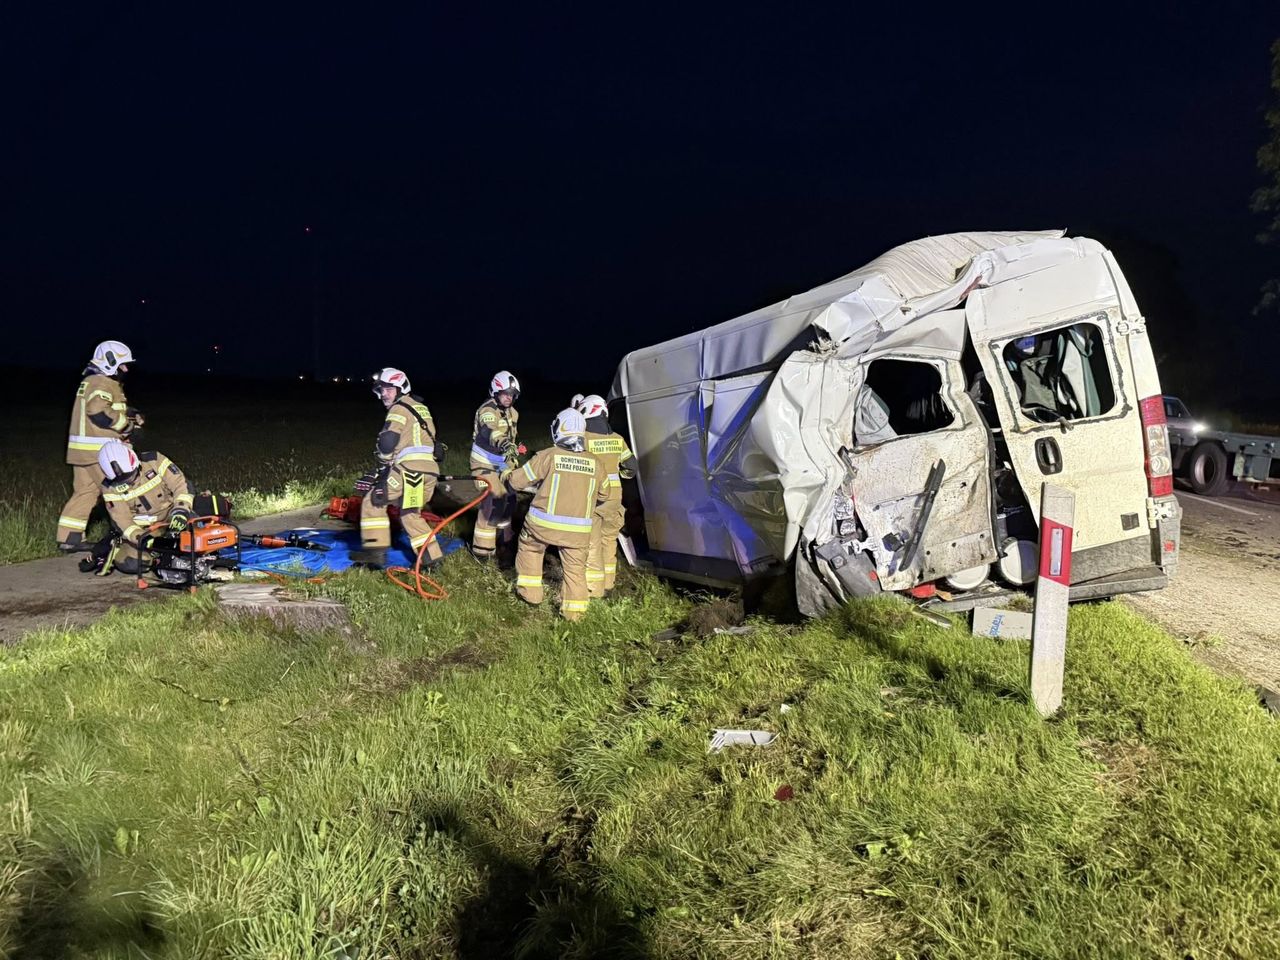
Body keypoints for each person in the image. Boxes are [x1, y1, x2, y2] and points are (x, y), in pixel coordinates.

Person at [502, 408, 608, 621]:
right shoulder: (596, 463)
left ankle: (530, 595)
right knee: (575, 570)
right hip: (578, 533)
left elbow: (516, 482)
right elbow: (604, 495)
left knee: (530, 549)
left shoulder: (548, 456)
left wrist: (506, 473)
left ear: (558, 429)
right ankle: (574, 612)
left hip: (542, 527)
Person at [58, 340, 143, 551]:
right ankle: (131, 537)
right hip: (100, 453)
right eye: (123, 365)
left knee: (85, 493)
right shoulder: (102, 382)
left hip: (81, 453)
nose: (125, 369)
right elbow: (98, 410)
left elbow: (103, 406)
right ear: (110, 361)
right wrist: (127, 427)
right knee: (120, 492)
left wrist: (128, 412)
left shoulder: (91, 381)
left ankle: (69, 538)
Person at [355, 368, 444, 568]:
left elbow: (388, 441)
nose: (383, 394)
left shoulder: (398, 409)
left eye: (388, 389)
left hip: (408, 470)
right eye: (381, 390)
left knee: (373, 500)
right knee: (410, 514)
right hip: (428, 472)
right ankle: (432, 560)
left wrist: (381, 466)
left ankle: (375, 555)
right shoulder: (421, 408)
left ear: (401, 388)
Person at [96, 440, 195, 574]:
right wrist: (141, 538)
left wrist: (181, 511)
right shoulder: (109, 488)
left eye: (131, 476)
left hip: (172, 518)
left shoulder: (154, 460)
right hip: (146, 531)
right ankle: (158, 558)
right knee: (132, 564)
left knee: (198, 537)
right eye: (123, 480)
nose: (129, 481)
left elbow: (181, 484)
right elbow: (123, 521)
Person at [576, 394, 637, 597]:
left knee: (591, 544)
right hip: (614, 501)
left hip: (591, 499)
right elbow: (631, 467)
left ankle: (594, 590)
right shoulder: (618, 439)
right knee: (608, 541)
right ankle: (609, 584)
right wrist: (620, 475)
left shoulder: (583, 438)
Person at [470, 370, 523, 560]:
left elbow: (511, 438)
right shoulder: (487, 410)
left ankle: (504, 541)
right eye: (505, 394)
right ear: (495, 392)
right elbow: (488, 431)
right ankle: (482, 553)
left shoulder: (513, 413)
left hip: (502, 464)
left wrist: (513, 452)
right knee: (492, 502)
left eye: (512, 395)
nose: (509, 398)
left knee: (509, 500)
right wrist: (504, 443)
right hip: (483, 463)